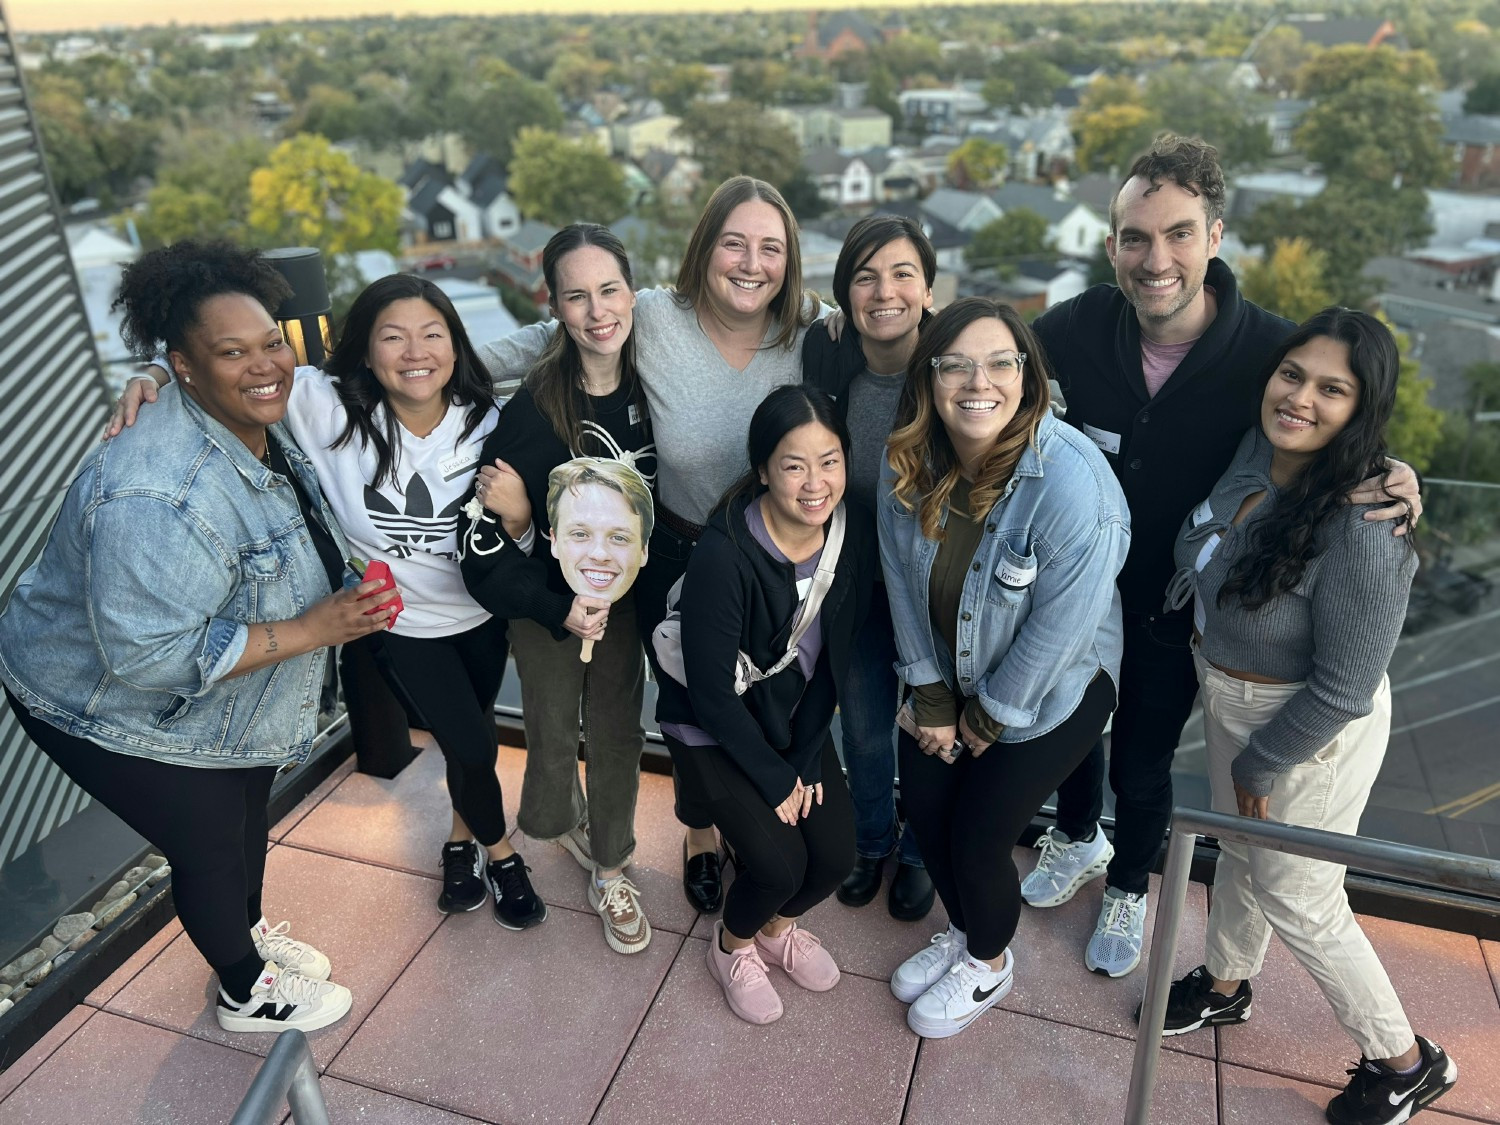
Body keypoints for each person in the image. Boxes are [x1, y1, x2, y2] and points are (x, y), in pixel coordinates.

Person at [1027, 134, 1424, 978]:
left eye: (1178, 233)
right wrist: (845, 323)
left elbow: (1333, 418)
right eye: (1135, 237)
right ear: (1111, 247)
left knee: (1141, 758)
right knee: (1070, 732)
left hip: (1183, 610)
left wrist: (1396, 470)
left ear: (1214, 236)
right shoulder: (1076, 327)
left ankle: (1130, 879)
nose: (1155, 258)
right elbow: (981, 362)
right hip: (1077, 598)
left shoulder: (1268, 354)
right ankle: (1075, 838)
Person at [0, 241, 397, 1033]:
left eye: (269, 342)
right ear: (184, 365)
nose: (264, 365)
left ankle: (242, 939)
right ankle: (246, 988)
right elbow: (147, 653)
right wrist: (315, 626)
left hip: (198, 681)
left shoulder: (244, 411)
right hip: (93, 693)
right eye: (231, 352)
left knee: (245, 802)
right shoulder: (154, 490)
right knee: (211, 835)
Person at [115, 275, 535, 930]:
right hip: (399, 623)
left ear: (456, 347)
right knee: (473, 748)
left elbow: (520, 533)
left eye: (433, 335)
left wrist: (518, 518)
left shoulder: (491, 422)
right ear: (365, 353)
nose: (414, 352)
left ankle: (459, 842)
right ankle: (504, 856)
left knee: (469, 737)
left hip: (482, 617)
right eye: (392, 337)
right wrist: (155, 374)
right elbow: (242, 373)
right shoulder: (325, 406)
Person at [478, 178, 821, 916]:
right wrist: (424, 364)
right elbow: (557, 338)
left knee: (761, 699)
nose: (751, 262)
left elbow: (885, 339)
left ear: (790, 260)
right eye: (734, 242)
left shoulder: (810, 331)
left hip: (771, 556)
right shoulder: (656, 314)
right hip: (675, 550)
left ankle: (750, 830)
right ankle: (697, 835)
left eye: (770, 246)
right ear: (704, 248)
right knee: (686, 707)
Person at [1147, 308, 1456, 1125]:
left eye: (1332, 389)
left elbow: (1344, 687)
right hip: (1229, 695)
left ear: (1362, 407)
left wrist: (1261, 760)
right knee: (1241, 853)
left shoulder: (1365, 524)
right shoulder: (1261, 449)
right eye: (1293, 374)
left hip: (1303, 730)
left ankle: (1405, 1059)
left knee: (1302, 896)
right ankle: (1223, 983)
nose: (1301, 399)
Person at [881, 297, 1129, 1040]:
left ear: (1028, 375)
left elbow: (1064, 626)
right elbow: (899, 574)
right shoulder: (911, 459)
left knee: (979, 834)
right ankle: (963, 931)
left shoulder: (1074, 484)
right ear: (929, 379)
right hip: (946, 673)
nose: (976, 380)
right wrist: (926, 691)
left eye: (998, 362)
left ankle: (988, 960)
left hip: (1056, 688)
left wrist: (987, 716)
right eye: (954, 363)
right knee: (925, 805)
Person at [459, 224, 657, 953]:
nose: (598, 310)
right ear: (555, 307)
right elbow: (477, 544)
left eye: (609, 290)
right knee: (548, 728)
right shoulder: (532, 411)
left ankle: (612, 863)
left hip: (628, 604)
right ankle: (560, 816)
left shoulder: (655, 382)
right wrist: (550, 595)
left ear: (632, 292)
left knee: (616, 731)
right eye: (577, 295)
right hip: (546, 604)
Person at [656, 385, 869, 1025]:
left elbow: (835, 665)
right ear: (763, 470)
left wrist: (802, 761)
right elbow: (713, 696)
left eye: (829, 461)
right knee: (778, 865)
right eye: (794, 464)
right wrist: (778, 780)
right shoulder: (726, 553)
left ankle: (776, 931)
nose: (815, 483)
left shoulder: (847, 530)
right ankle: (733, 945)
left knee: (833, 858)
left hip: (789, 718)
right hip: (710, 727)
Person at [802, 213, 937, 920]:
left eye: (902, 273)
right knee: (861, 728)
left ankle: (920, 851)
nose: (885, 292)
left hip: (936, 595)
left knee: (929, 728)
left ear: (928, 287)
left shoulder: (952, 365)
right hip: (857, 585)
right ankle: (873, 839)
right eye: (865, 276)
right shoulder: (830, 361)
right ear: (845, 292)